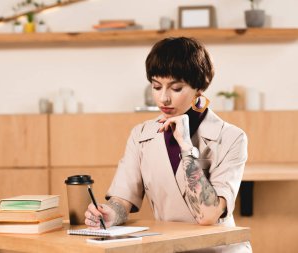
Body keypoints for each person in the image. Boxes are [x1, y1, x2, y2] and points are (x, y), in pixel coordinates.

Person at [84, 37, 252, 252]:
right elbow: (122, 200)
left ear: (199, 87)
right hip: (169, 247)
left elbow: (208, 215)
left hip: (218, 249)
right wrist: (111, 214)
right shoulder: (141, 135)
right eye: (156, 86)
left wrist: (185, 147)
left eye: (176, 88)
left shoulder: (231, 137)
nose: (163, 98)